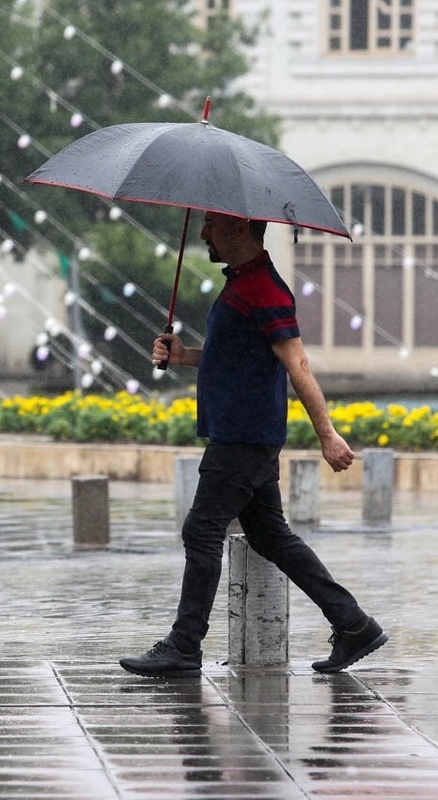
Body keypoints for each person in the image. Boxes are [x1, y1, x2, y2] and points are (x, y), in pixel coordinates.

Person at [119, 211, 387, 677]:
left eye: (212, 225)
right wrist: (185, 356)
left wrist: (327, 435)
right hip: (246, 433)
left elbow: (297, 363)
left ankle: (184, 646)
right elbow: (238, 355)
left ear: (240, 229)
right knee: (269, 535)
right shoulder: (244, 283)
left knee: (201, 530)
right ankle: (354, 625)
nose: (204, 233)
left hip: (242, 436)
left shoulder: (264, 289)